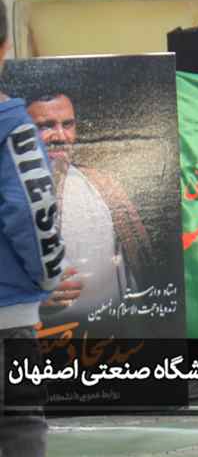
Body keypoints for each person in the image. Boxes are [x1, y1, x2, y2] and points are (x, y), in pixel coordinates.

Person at [24, 93, 155, 325]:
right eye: (46, 126)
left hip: (115, 336)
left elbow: (138, 271)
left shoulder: (103, 186)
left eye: (67, 125)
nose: (61, 136)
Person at [0, 94, 60, 457]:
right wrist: (48, 277)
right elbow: (30, 212)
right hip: (6, 322)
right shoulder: (13, 127)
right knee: (19, 426)